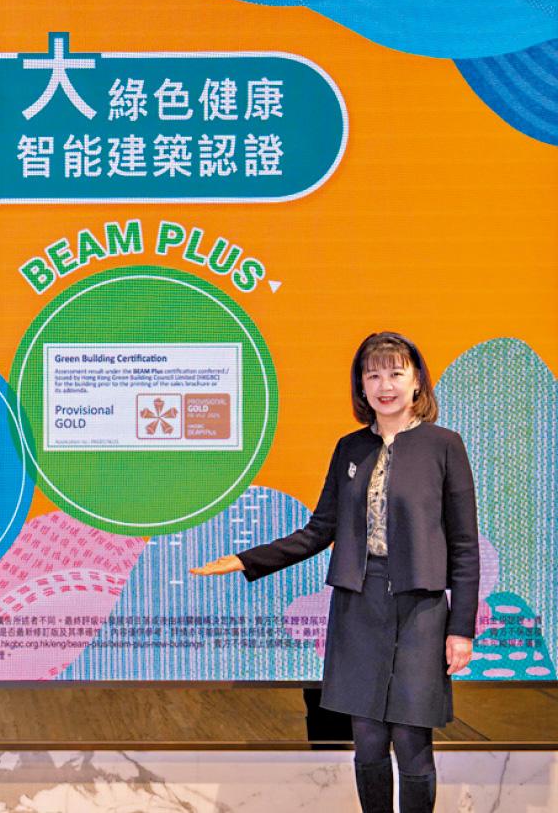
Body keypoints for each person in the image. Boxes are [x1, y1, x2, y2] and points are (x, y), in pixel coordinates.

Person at [192, 332, 479, 813]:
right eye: (373, 375)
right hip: (357, 606)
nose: (384, 385)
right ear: (361, 386)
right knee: (367, 742)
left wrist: (461, 629)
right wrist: (248, 559)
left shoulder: (444, 446)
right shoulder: (350, 448)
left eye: (396, 373)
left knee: (412, 741)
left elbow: (465, 546)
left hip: (421, 610)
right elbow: (319, 530)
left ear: (416, 382)